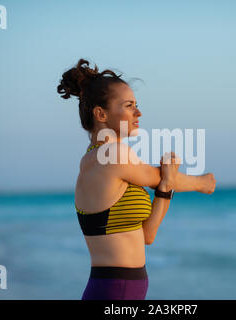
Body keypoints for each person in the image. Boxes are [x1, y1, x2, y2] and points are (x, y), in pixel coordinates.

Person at [57, 58, 216, 300]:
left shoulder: (94, 160)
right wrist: (202, 183)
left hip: (118, 287)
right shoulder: (112, 155)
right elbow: (156, 176)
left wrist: (165, 189)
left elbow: (148, 236)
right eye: (129, 105)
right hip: (116, 289)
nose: (138, 112)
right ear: (100, 113)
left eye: (136, 105)